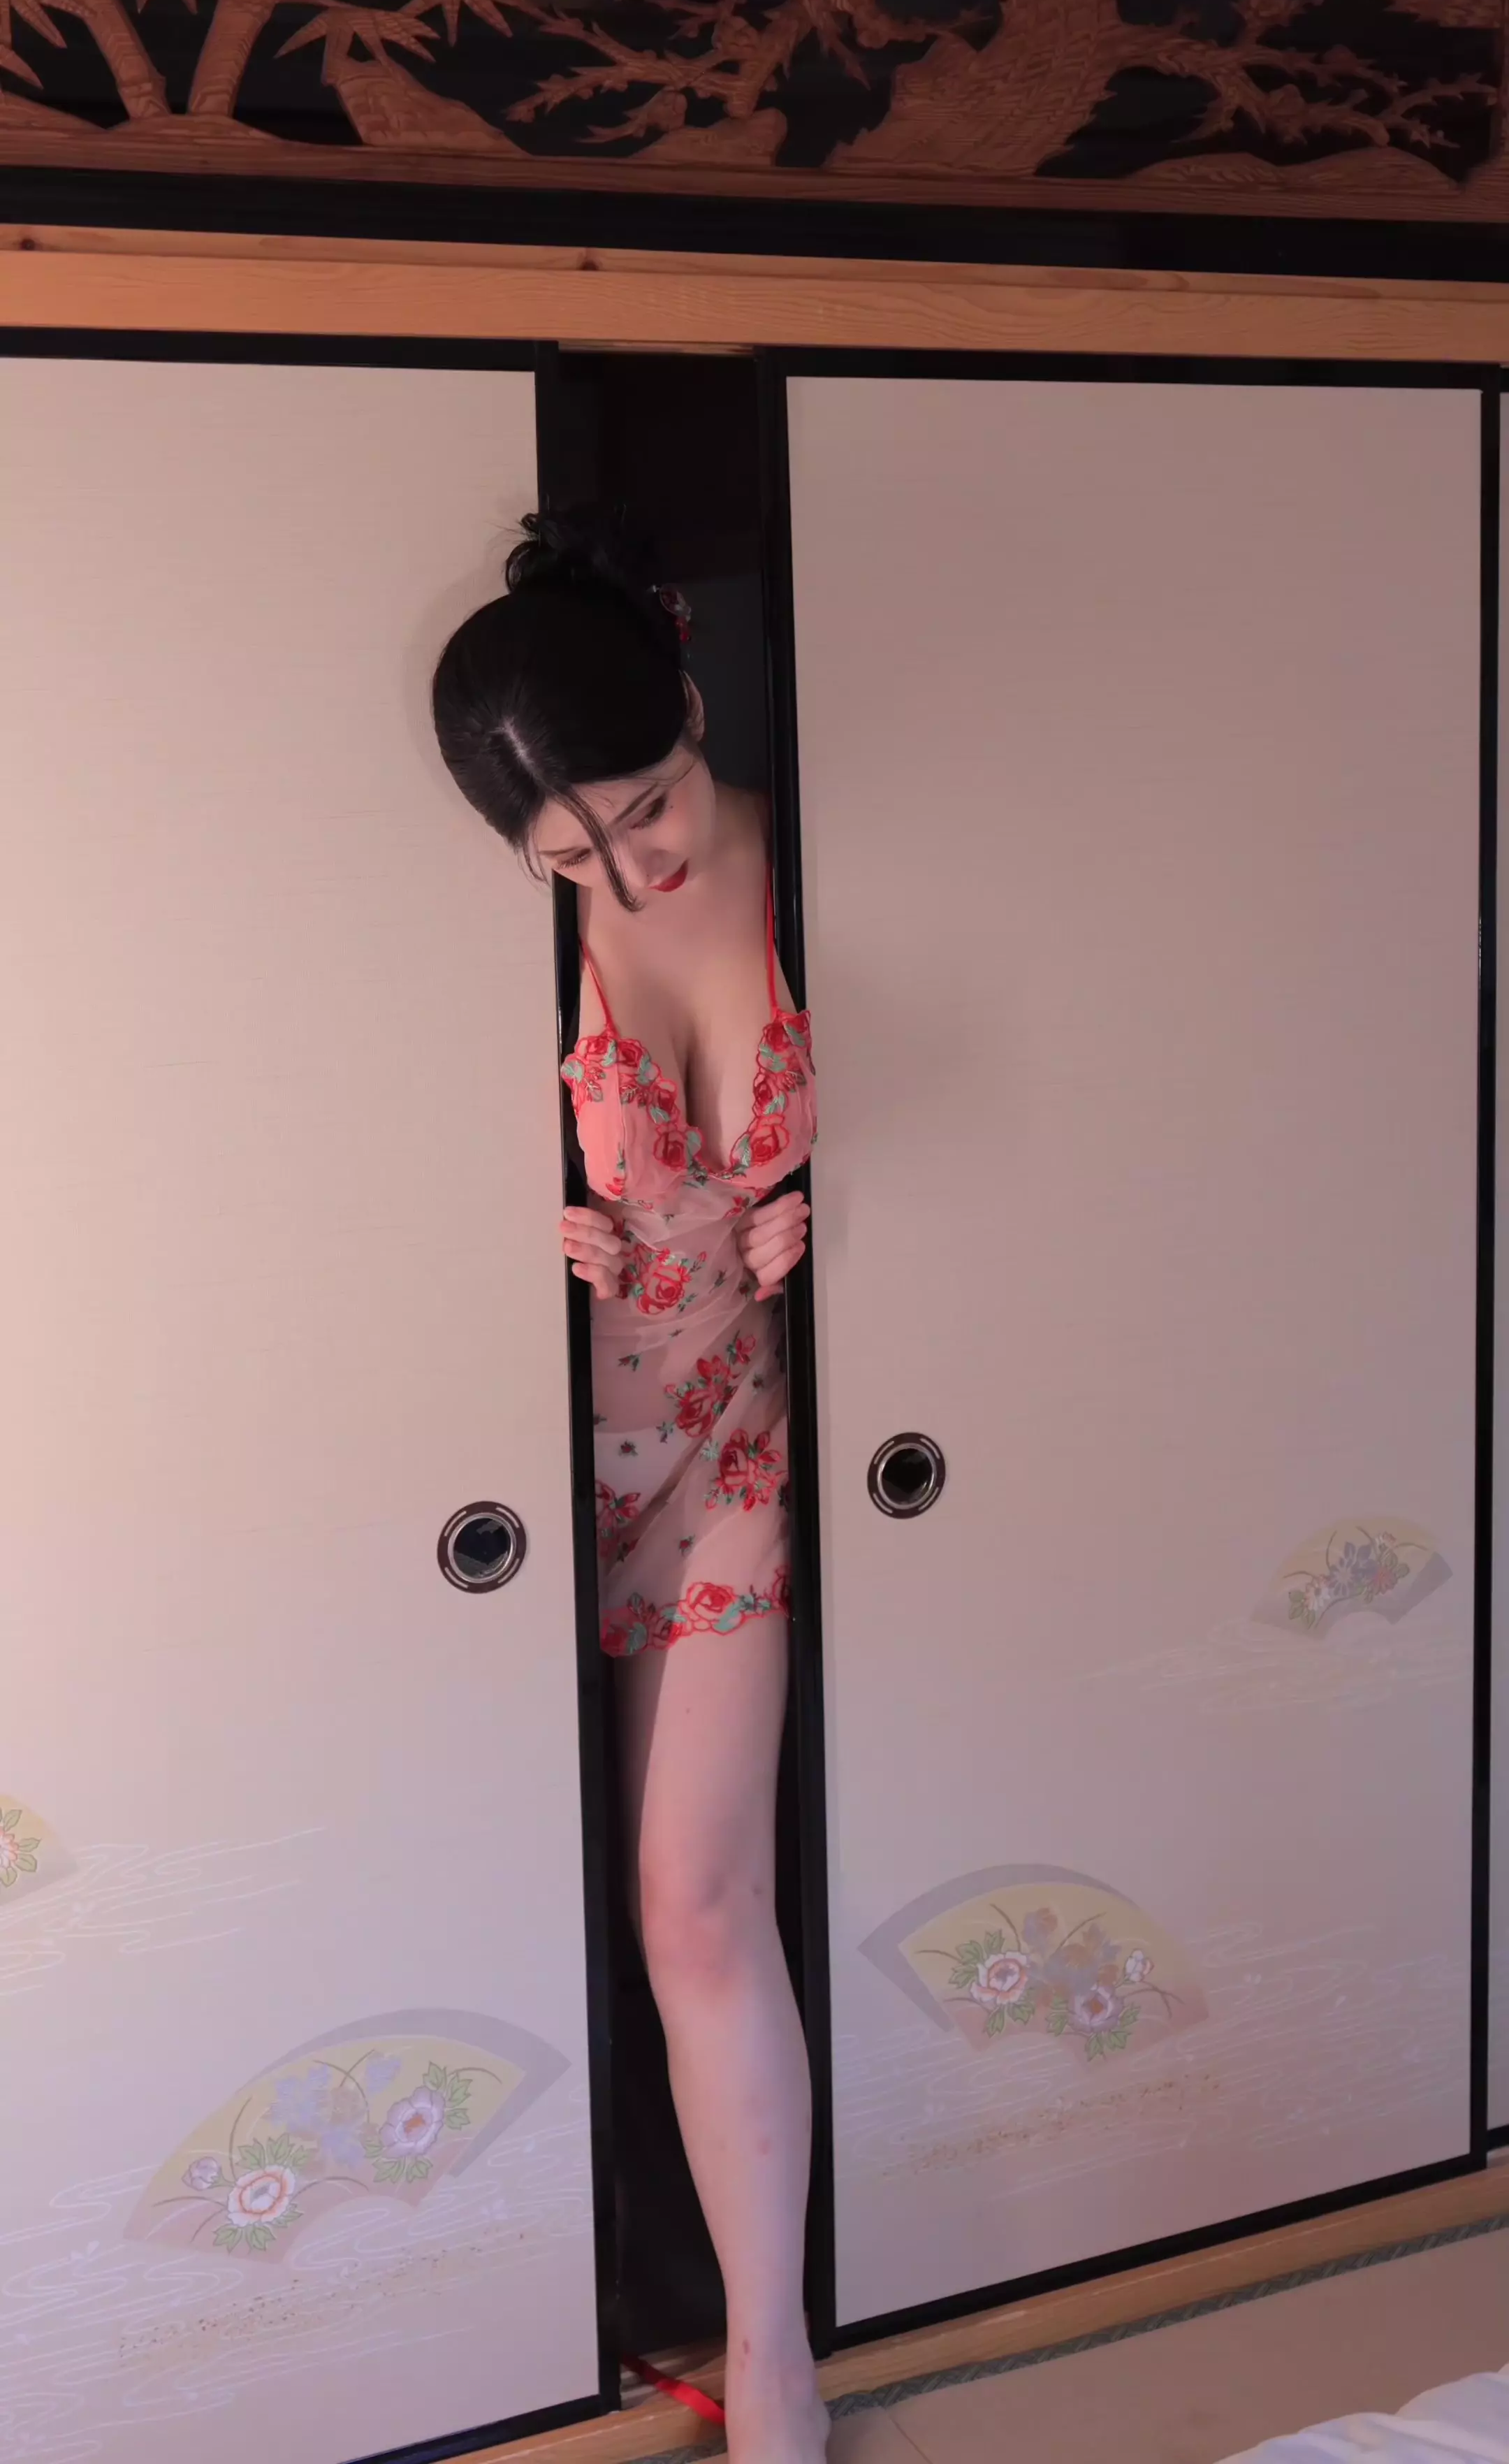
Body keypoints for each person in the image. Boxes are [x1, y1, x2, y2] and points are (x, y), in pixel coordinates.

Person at [431, 510, 826, 2464]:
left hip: (731, 1453)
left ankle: (773, 2361)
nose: (631, 869)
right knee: (492, 1902)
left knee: (698, 1901)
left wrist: (850, 1220)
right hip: (514, 1473)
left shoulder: (829, 855)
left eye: (649, 807)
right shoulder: (488, 940)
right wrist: (526, 1227)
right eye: (572, 858)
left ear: (690, 705)